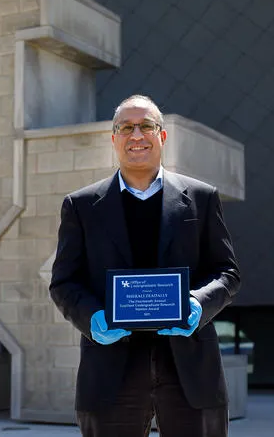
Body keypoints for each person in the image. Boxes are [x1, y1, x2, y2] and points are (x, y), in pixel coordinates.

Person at [49, 95, 241, 437]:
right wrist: (93, 318)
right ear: (114, 139)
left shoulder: (201, 197)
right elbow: (64, 282)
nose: (136, 134)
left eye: (146, 126)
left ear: (162, 136)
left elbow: (227, 273)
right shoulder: (81, 206)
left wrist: (198, 304)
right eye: (125, 127)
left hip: (191, 370)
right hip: (111, 372)